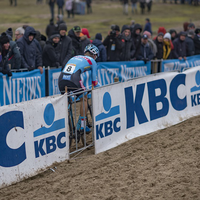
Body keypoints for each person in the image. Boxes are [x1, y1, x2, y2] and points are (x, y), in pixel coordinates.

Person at [58, 44, 99, 133]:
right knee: (84, 98)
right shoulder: (92, 61)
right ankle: (82, 126)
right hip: (74, 79)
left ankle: (62, 125)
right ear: (95, 55)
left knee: (66, 101)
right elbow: (94, 82)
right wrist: (102, 88)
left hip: (61, 78)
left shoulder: (75, 57)